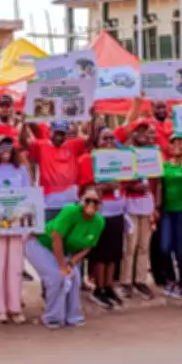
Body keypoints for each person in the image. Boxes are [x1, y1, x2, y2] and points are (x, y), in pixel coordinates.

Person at [25, 184, 104, 329]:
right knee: (56, 276)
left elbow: (88, 246)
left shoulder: (99, 221)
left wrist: (72, 262)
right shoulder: (70, 211)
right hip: (40, 244)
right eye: (88, 200)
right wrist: (62, 266)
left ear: (100, 204)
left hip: (64, 251)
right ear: (81, 200)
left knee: (75, 276)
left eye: (95, 201)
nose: (91, 204)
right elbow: (56, 238)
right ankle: (52, 317)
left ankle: (73, 316)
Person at [0, 136, 31, 324]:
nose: (5, 151)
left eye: (8, 146)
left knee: (15, 267)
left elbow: (28, 195)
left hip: (16, 224)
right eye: (1, 147)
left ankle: (15, 307)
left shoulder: (21, 170)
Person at [77, 127, 125, 308]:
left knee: (114, 252)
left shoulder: (120, 158)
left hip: (117, 210)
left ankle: (108, 285)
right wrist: (106, 187)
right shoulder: (87, 159)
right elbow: (85, 188)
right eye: (105, 139)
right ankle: (98, 288)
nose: (109, 142)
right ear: (96, 141)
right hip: (98, 212)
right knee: (100, 252)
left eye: (112, 139)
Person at [118, 119, 157, 300]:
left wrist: (156, 206)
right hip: (130, 204)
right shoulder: (125, 154)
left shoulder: (153, 153)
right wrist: (133, 187)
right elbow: (120, 180)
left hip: (147, 205)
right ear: (131, 134)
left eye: (144, 131)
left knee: (144, 246)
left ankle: (140, 280)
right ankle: (126, 281)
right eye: (137, 131)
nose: (141, 134)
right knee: (130, 246)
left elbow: (157, 181)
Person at [158, 134, 182, 299]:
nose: (177, 145)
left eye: (181, 142)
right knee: (164, 248)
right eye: (173, 142)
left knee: (180, 248)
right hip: (167, 211)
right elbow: (159, 186)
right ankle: (171, 279)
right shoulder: (164, 165)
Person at [24, 120, 86, 222]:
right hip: (48, 203)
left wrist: (93, 118)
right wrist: (24, 123)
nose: (59, 137)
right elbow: (24, 145)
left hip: (71, 202)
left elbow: (92, 139)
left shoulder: (74, 145)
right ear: (50, 132)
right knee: (49, 230)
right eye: (56, 133)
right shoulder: (40, 145)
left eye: (62, 134)